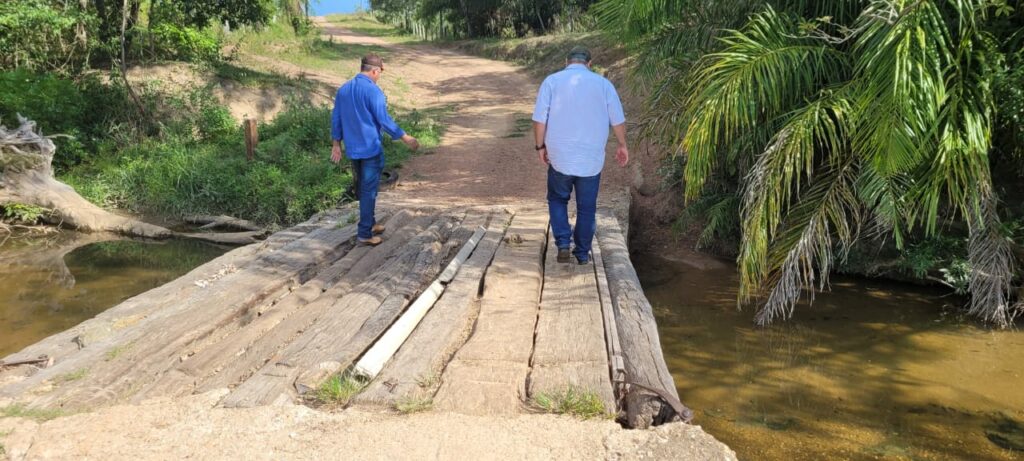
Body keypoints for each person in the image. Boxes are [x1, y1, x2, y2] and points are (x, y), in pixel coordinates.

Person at [532, 46, 629, 264]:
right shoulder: (604, 84)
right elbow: (618, 120)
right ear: (589, 64)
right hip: (591, 158)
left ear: (567, 61)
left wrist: (540, 147)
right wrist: (622, 145)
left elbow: (540, 119)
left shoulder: (551, 81)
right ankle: (582, 253)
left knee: (557, 199)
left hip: (560, 156)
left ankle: (564, 243)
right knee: (587, 207)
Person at [331, 53, 419, 246]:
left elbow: (336, 118)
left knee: (363, 187)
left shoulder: (344, 89)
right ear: (374, 70)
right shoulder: (373, 91)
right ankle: (364, 234)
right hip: (370, 149)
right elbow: (384, 120)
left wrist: (336, 144)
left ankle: (370, 223)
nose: (379, 77)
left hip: (352, 150)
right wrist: (406, 137)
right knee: (369, 190)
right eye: (379, 73)